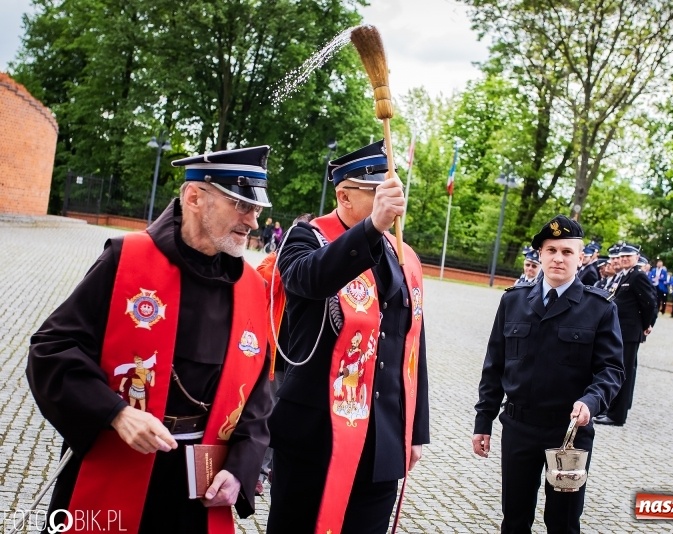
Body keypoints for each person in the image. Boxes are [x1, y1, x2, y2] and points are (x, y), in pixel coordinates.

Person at [26, 146, 275, 532]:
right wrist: (116, 413)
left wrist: (241, 467)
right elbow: (51, 350)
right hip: (119, 457)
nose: (253, 222)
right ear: (194, 197)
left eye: (256, 210)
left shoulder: (252, 288)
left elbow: (259, 393)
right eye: (242, 205)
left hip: (199, 482)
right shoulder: (125, 258)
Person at [266, 140, 429, 534]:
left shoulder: (403, 254)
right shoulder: (306, 237)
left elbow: (413, 343)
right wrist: (372, 228)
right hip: (316, 435)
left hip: (381, 438)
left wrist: (414, 429)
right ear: (343, 195)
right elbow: (310, 278)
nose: (390, 199)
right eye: (377, 192)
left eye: (393, 189)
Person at [473, 214, 624, 534]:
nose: (558, 258)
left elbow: (611, 369)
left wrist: (592, 401)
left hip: (569, 433)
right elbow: (494, 366)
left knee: (563, 521)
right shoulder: (513, 301)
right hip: (519, 427)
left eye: (567, 252)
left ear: (580, 258)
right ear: (540, 254)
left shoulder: (599, 307)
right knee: (514, 519)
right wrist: (483, 421)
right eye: (551, 250)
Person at [254, 213, 314, 495]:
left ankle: (276, 468)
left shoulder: (319, 264)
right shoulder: (275, 261)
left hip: (303, 358)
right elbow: (261, 281)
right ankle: (258, 471)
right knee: (268, 414)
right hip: (277, 354)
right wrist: (285, 260)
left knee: (290, 416)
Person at [594, 243, 656, 427]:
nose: (623, 259)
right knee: (620, 371)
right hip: (622, 330)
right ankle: (613, 411)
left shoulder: (637, 276)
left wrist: (647, 325)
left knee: (625, 373)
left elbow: (649, 302)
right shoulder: (626, 275)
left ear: (637, 257)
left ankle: (617, 415)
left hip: (630, 332)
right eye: (622, 257)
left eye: (628, 256)